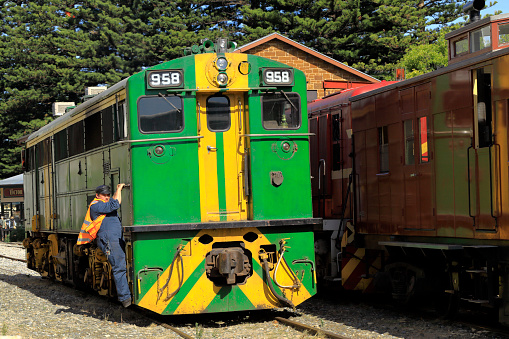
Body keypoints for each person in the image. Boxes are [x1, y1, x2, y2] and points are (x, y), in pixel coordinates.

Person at [89, 184, 131, 308]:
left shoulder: (104, 205)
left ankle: (126, 295)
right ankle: (125, 299)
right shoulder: (96, 205)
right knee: (119, 267)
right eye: (104, 195)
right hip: (109, 240)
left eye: (108, 195)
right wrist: (119, 189)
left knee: (121, 266)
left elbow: (113, 202)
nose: (106, 197)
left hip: (113, 238)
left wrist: (116, 192)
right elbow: (115, 204)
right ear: (97, 195)